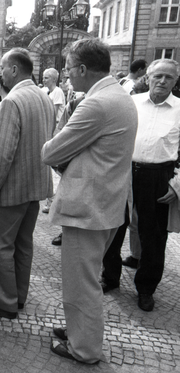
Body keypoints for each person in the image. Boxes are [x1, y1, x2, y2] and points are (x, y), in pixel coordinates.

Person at [42, 39, 137, 364]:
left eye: (69, 69)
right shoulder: (119, 96)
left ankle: (84, 349)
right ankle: (77, 331)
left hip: (89, 208)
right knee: (85, 277)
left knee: (81, 283)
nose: (67, 76)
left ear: (83, 69)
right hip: (105, 204)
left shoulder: (96, 104)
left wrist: (64, 151)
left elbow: (51, 152)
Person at [0, 48, 54, 319]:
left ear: (15, 69)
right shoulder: (43, 96)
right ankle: (18, 295)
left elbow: (1, 153)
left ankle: (3, 301)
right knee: (23, 244)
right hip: (34, 186)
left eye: (2, 68)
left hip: (11, 188)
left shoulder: (12, 101)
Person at [101, 59, 180, 311]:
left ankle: (146, 288)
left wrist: (177, 184)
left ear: (175, 81)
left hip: (159, 176)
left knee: (154, 237)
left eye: (168, 77)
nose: (162, 81)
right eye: (158, 76)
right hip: (124, 171)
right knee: (113, 226)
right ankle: (109, 277)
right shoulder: (132, 103)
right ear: (148, 76)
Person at [41, 68, 66, 214]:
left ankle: (53, 201)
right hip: (48, 129)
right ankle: (51, 199)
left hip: (55, 130)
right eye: (43, 77)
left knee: (53, 167)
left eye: (46, 78)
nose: (44, 80)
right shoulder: (44, 91)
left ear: (54, 79)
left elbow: (53, 112)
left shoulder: (57, 92)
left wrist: (49, 134)